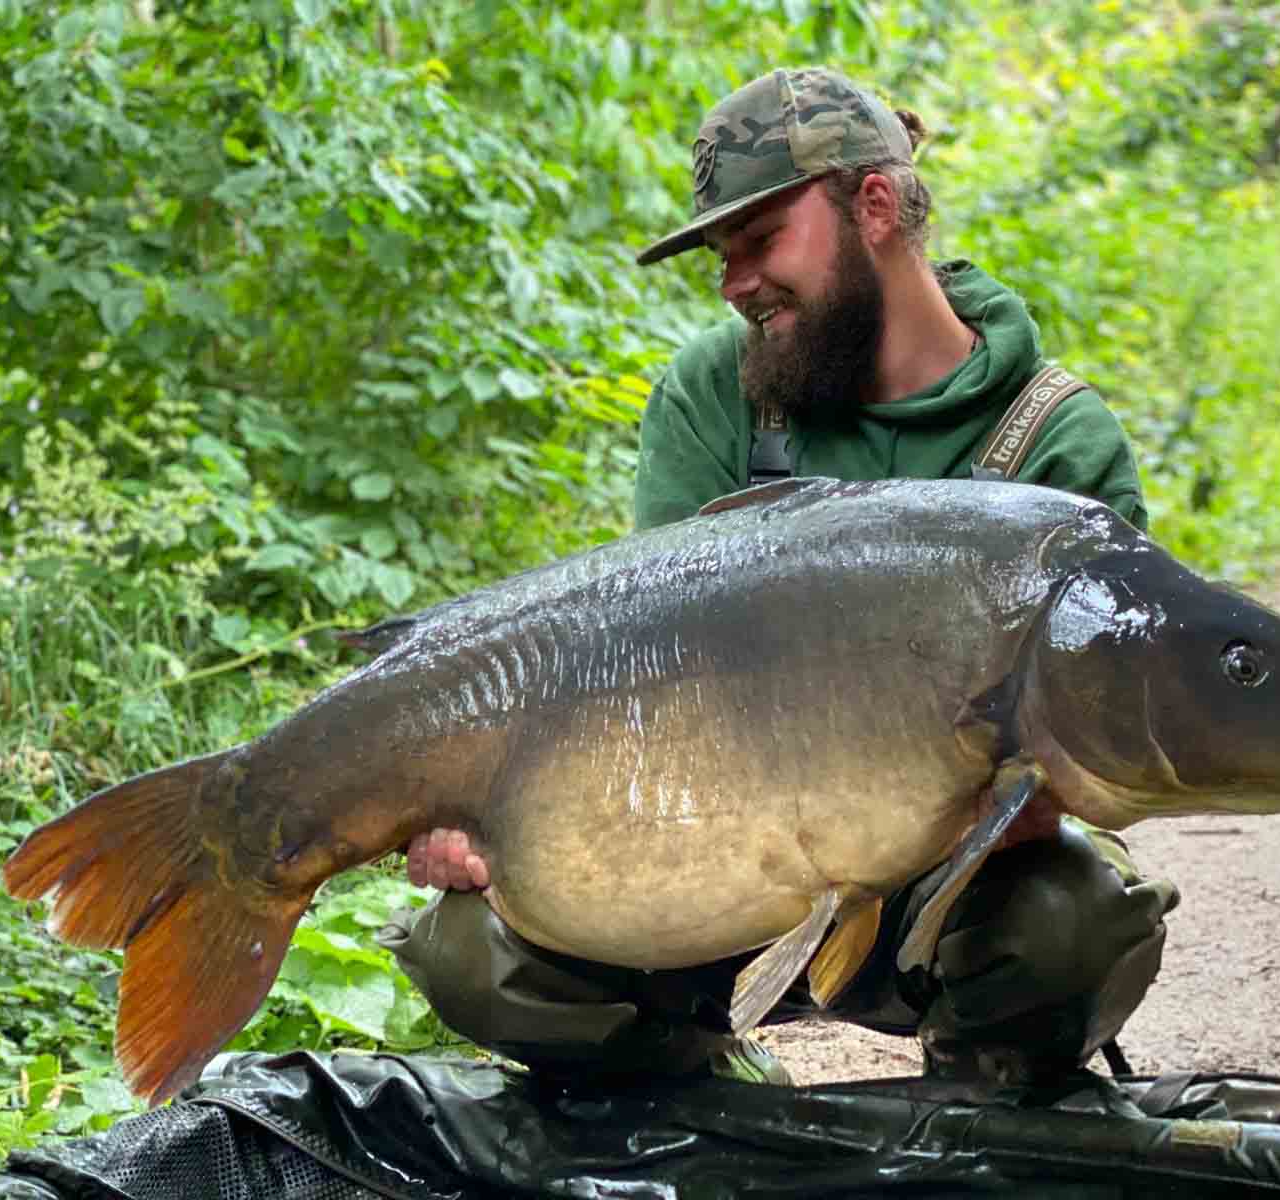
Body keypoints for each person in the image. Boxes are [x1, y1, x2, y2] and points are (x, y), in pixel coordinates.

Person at [385, 66, 1178, 1093]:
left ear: (874, 207)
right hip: (698, 868)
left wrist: (1047, 791)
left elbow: (1128, 714)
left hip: (942, 886)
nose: (734, 283)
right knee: (469, 950)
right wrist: (490, 804)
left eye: (759, 243)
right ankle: (703, 1092)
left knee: (1075, 917)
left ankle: (985, 1092)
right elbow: (630, 671)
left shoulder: (1052, 435)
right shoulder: (717, 393)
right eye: (721, 255)